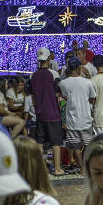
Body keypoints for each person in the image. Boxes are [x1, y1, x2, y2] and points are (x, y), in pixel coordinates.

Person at [59, 57, 97, 172]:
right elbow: (92, 98)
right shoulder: (88, 82)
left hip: (72, 119)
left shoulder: (63, 83)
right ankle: (88, 166)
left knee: (75, 146)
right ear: (79, 68)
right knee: (89, 145)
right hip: (85, 118)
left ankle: (82, 168)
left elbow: (65, 97)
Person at [31, 47, 64, 175]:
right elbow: (58, 93)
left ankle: (40, 168)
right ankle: (57, 168)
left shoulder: (33, 75)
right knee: (56, 142)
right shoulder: (54, 74)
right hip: (53, 113)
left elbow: (32, 95)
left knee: (39, 141)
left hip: (40, 113)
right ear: (49, 58)